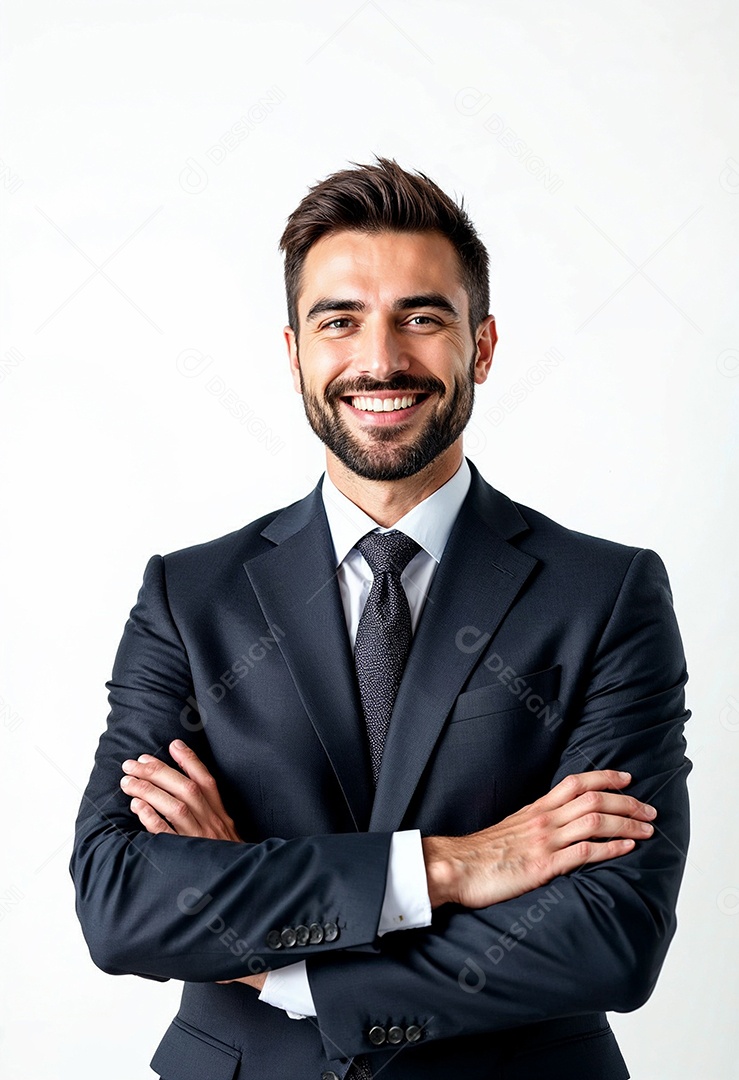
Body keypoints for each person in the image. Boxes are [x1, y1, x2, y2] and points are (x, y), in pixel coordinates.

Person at [71, 157, 691, 1080]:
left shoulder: (604, 594)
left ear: (480, 347)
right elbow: (122, 902)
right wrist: (446, 867)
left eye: (422, 316)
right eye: (339, 321)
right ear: (293, 357)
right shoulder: (188, 595)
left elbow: (611, 934)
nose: (380, 358)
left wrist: (279, 965)